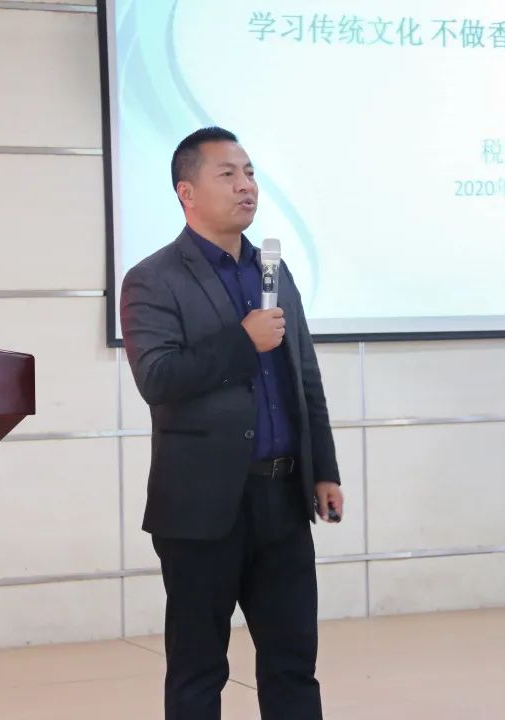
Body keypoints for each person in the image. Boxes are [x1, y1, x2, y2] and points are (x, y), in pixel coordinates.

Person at [120, 126, 344, 720]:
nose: (246, 186)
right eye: (228, 174)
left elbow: (304, 375)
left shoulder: (275, 271)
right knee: (198, 668)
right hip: (201, 507)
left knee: (293, 662)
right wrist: (243, 342)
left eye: (249, 173)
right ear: (186, 192)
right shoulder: (152, 279)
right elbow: (158, 379)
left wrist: (323, 469)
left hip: (283, 496)